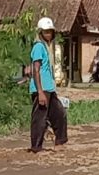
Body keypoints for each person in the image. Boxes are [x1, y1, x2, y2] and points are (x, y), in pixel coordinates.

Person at [26, 14, 68, 152]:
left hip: (49, 88)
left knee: (59, 114)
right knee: (40, 119)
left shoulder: (46, 47)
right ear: (40, 32)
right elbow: (36, 70)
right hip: (41, 89)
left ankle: (60, 141)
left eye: (50, 31)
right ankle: (36, 147)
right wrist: (40, 92)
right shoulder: (38, 46)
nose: (48, 34)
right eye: (45, 31)